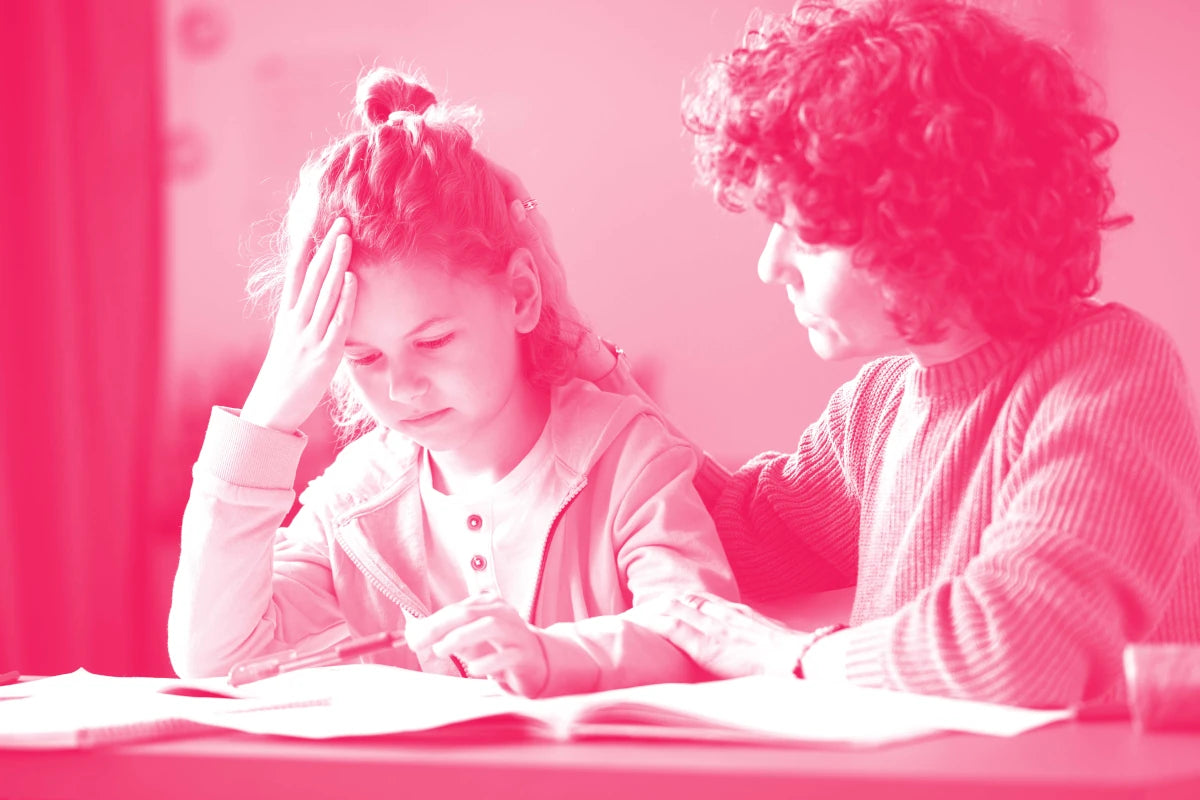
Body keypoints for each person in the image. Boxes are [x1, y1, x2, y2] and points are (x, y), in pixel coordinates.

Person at [513, 0, 1200, 708]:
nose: (770, 265)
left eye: (804, 233)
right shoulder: (879, 406)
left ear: (925, 229)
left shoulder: (1111, 374)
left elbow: (1020, 649)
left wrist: (790, 656)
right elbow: (712, 534)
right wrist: (579, 360)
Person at [167, 67, 737, 698]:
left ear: (520, 294)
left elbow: (701, 633)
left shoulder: (627, 456)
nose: (404, 387)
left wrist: (552, 656)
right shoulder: (352, 504)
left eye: (433, 342)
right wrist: (267, 416)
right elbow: (214, 659)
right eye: (364, 358)